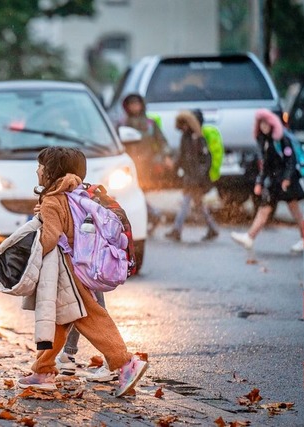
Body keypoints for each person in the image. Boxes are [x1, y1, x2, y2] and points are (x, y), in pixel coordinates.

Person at [18, 146, 148, 397]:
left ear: (50, 172)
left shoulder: (51, 199)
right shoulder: (75, 193)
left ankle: (125, 363)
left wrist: (30, 250)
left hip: (66, 271)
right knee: (60, 320)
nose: (37, 170)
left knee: (91, 318)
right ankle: (43, 370)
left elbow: (51, 237)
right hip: (78, 266)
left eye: (41, 167)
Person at [231, 109, 304, 252]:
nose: (263, 126)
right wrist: (260, 181)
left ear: (272, 123)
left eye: (266, 123)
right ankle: (250, 237)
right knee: (264, 209)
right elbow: (266, 165)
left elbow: (290, 160)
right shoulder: (264, 140)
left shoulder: (282, 139)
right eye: (261, 123)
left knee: (295, 210)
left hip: (285, 181)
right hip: (274, 182)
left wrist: (287, 179)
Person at [120, 93, 172, 235]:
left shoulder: (150, 124)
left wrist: (164, 157)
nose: (134, 107)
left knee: (138, 194)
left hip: (147, 167)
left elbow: (163, 143)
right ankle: (152, 216)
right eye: (131, 104)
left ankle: (153, 216)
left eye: (137, 103)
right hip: (127, 168)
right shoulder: (122, 124)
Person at [165, 111, 220, 242]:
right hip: (189, 177)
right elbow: (181, 156)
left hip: (195, 179)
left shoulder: (198, 138)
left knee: (186, 203)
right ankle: (212, 228)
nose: (183, 127)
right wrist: (174, 167)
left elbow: (206, 159)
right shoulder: (185, 137)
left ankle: (177, 229)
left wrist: (200, 176)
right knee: (199, 205)